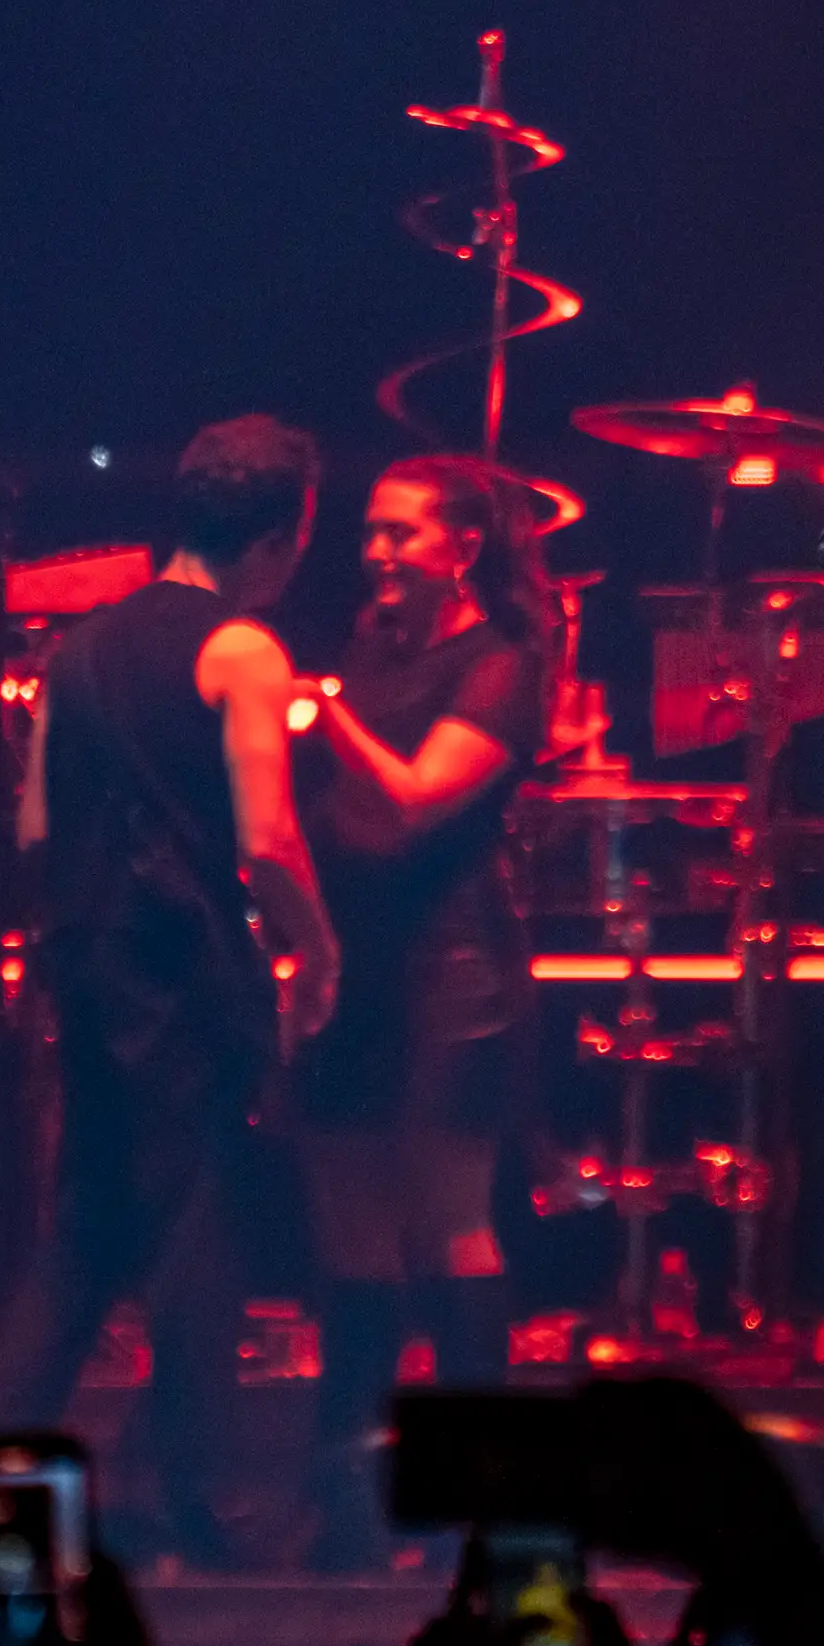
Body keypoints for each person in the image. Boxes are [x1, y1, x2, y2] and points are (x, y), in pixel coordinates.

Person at [0, 414, 338, 1570]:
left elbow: (36, 828)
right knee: (204, 1235)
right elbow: (269, 840)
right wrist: (318, 953)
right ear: (286, 536)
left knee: (85, 1236)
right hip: (188, 979)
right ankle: (202, 1508)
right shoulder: (243, 650)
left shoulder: (75, 651)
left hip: (89, 971)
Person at [291, 456, 558, 1552]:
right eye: (371, 531)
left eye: (402, 534)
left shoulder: (499, 666)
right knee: (353, 1230)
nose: (378, 552)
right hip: (358, 973)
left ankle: (475, 1493)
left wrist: (325, 712)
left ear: (463, 549)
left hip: (454, 982)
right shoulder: (370, 652)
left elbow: (410, 801)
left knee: (450, 1220)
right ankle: (346, 1501)